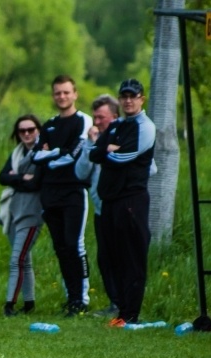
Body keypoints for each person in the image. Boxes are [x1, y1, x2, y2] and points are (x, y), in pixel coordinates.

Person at [89, 79, 156, 326]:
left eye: (132, 96)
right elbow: (93, 153)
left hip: (131, 200)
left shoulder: (146, 127)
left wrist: (107, 150)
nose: (128, 101)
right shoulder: (117, 124)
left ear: (141, 99)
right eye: (124, 96)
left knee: (132, 258)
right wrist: (108, 149)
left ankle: (130, 314)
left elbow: (124, 157)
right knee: (111, 257)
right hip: (110, 200)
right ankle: (120, 310)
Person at [33, 75, 92, 316]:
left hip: (73, 192)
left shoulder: (83, 121)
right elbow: (36, 156)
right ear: (53, 96)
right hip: (50, 193)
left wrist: (51, 154)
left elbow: (74, 154)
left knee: (74, 244)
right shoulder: (49, 124)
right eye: (58, 92)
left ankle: (82, 300)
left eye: (66, 92)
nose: (62, 96)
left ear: (75, 94)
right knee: (60, 248)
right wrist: (56, 152)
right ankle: (71, 298)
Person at [75, 94, 120, 317]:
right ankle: (115, 303)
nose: (97, 122)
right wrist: (90, 144)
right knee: (105, 259)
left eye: (101, 117)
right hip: (101, 209)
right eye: (95, 117)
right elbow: (80, 172)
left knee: (122, 257)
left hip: (120, 207)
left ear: (114, 117)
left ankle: (127, 305)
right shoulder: (94, 141)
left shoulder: (123, 138)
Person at [0, 114, 43, 316]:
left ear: (38, 131)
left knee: (17, 259)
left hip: (32, 212)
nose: (26, 134)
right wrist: (24, 177)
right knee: (25, 260)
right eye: (22, 130)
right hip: (14, 211)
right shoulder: (17, 152)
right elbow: (2, 177)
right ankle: (29, 303)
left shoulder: (42, 153)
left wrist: (16, 178)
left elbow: (36, 183)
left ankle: (10, 304)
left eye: (31, 129)